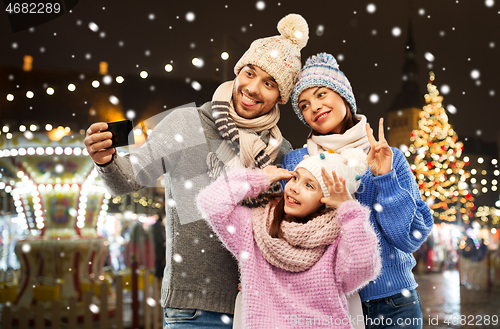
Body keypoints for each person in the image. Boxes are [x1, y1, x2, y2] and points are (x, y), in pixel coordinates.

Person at [84, 14, 309, 328]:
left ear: (280, 97)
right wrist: (105, 160)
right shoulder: (186, 124)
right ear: (239, 71)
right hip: (192, 311)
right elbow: (127, 180)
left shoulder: (281, 151)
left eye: (269, 83)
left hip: (259, 309)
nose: (253, 88)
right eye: (250, 73)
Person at [282, 53, 434, 329]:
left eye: (321, 94)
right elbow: (287, 237)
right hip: (325, 306)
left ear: (344, 97)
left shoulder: (387, 157)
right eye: (304, 105)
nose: (314, 107)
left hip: (393, 304)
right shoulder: (297, 163)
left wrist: (385, 178)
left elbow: (409, 239)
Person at [197, 149, 381, 328]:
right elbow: (211, 202)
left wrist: (350, 210)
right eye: (295, 178)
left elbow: (362, 269)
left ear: (326, 201)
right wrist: (258, 179)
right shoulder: (254, 228)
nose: (294, 188)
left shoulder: (339, 239)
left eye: (309, 185)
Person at [151, 214, 166, 279]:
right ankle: (158, 281)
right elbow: (160, 239)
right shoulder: (157, 227)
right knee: (159, 265)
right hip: (159, 249)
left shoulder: (156, 226)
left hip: (159, 248)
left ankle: (158, 281)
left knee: (159, 264)